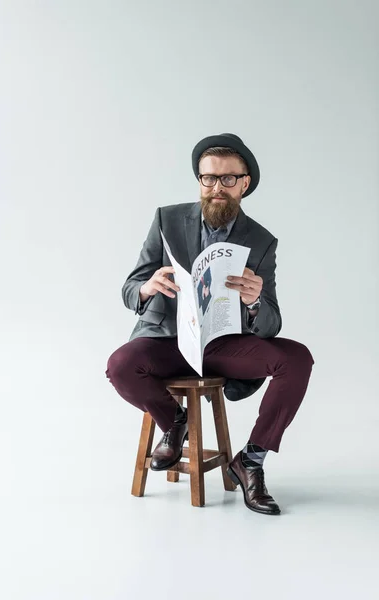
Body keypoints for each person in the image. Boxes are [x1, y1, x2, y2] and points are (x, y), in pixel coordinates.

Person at [106, 133, 314, 516]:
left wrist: (254, 300)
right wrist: (148, 287)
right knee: (120, 366)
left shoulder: (261, 240)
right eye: (208, 178)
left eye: (228, 179)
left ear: (245, 183)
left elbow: (271, 321)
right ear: (199, 180)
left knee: (297, 358)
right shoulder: (166, 219)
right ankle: (176, 421)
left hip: (222, 346)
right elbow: (129, 287)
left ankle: (251, 460)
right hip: (168, 341)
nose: (217, 188)